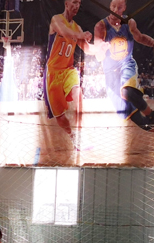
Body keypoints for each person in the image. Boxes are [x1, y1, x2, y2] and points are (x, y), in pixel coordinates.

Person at [93, 0, 154, 150]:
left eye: (119, 7)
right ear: (109, 7)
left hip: (126, 65)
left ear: (124, 8)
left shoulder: (129, 22)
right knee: (136, 119)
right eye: (113, 6)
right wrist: (101, 49)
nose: (115, 10)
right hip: (110, 75)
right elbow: (98, 56)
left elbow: (139, 37)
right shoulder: (100, 26)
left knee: (126, 91)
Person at [43, 0, 107, 151]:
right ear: (66, 3)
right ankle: (73, 136)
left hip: (68, 70)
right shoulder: (56, 20)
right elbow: (65, 32)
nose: (76, 6)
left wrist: (100, 48)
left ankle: (80, 133)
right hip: (52, 73)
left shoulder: (77, 28)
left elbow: (87, 48)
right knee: (60, 116)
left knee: (77, 91)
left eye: (79, 3)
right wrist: (81, 35)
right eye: (74, 2)